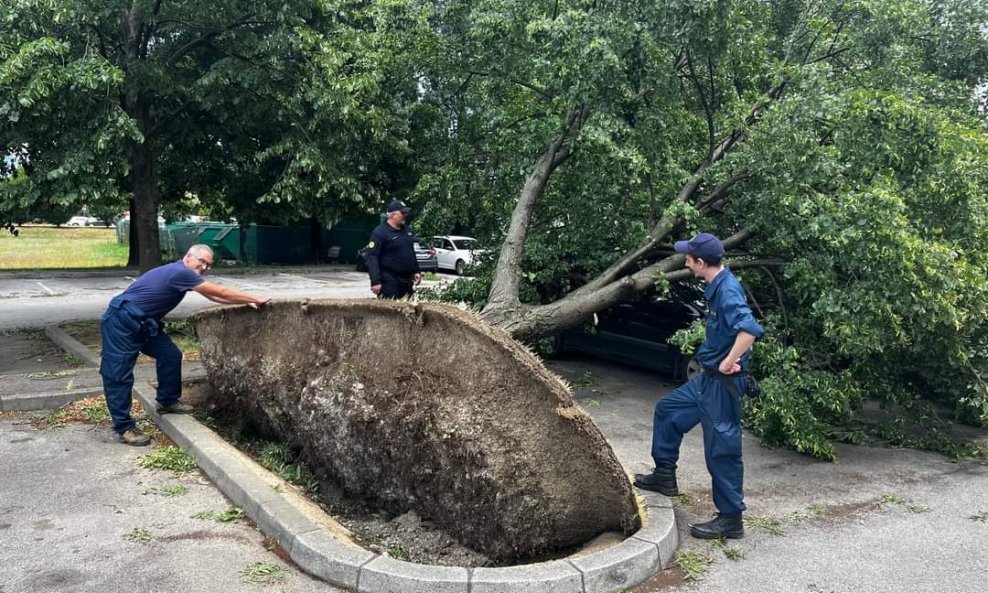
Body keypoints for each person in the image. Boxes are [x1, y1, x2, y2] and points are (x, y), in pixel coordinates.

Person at [634, 232, 764, 539]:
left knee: (721, 450)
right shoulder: (717, 285)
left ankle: (731, 519)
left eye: (689, 259)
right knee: (668, 411)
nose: (687, 263)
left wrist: (730, 360)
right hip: (706, 380)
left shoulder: (728, 291)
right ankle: (664, 476)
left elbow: (750, 330)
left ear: (701, 262)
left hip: (722, 386)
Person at [100, 244, 272, 446]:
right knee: (118, 374)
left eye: (209, 264)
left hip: (145, 323)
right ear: (189, 257)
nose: (205, 267)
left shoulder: (183, 274)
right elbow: (221, 291)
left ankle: (167, 400)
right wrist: (256, 298)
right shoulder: (180, 272)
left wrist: (246, 302)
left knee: (170, 355)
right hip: (122, 321)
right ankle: (124, 427)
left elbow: (214, 296)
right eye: (202, 261)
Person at [365, 199, 421, 299]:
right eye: (402, 213)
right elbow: (372, 257)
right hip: (389, 281)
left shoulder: (406, 230)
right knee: (390, 312)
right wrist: (375, 281)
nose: (405, 215)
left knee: (408, 311)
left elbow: (410, 252)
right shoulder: (380, 232)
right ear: (393, 215)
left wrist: (416, 271)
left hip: (407, 280)